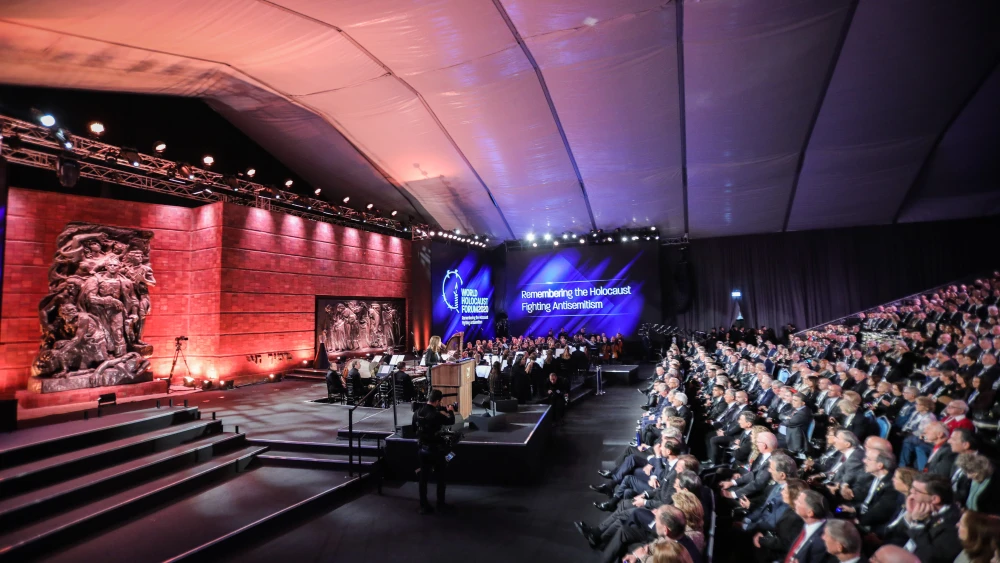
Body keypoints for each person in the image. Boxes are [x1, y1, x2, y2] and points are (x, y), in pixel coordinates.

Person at [414, 389, 455, 514]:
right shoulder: (436, 415)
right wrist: (451, 411)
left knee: (423, 478)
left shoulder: (417, 411)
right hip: (436, 451)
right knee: (441, 478)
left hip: (422, 449)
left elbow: (413, 427)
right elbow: (450, 421)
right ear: (437, 401)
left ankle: (423, 505)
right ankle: (440, 504)